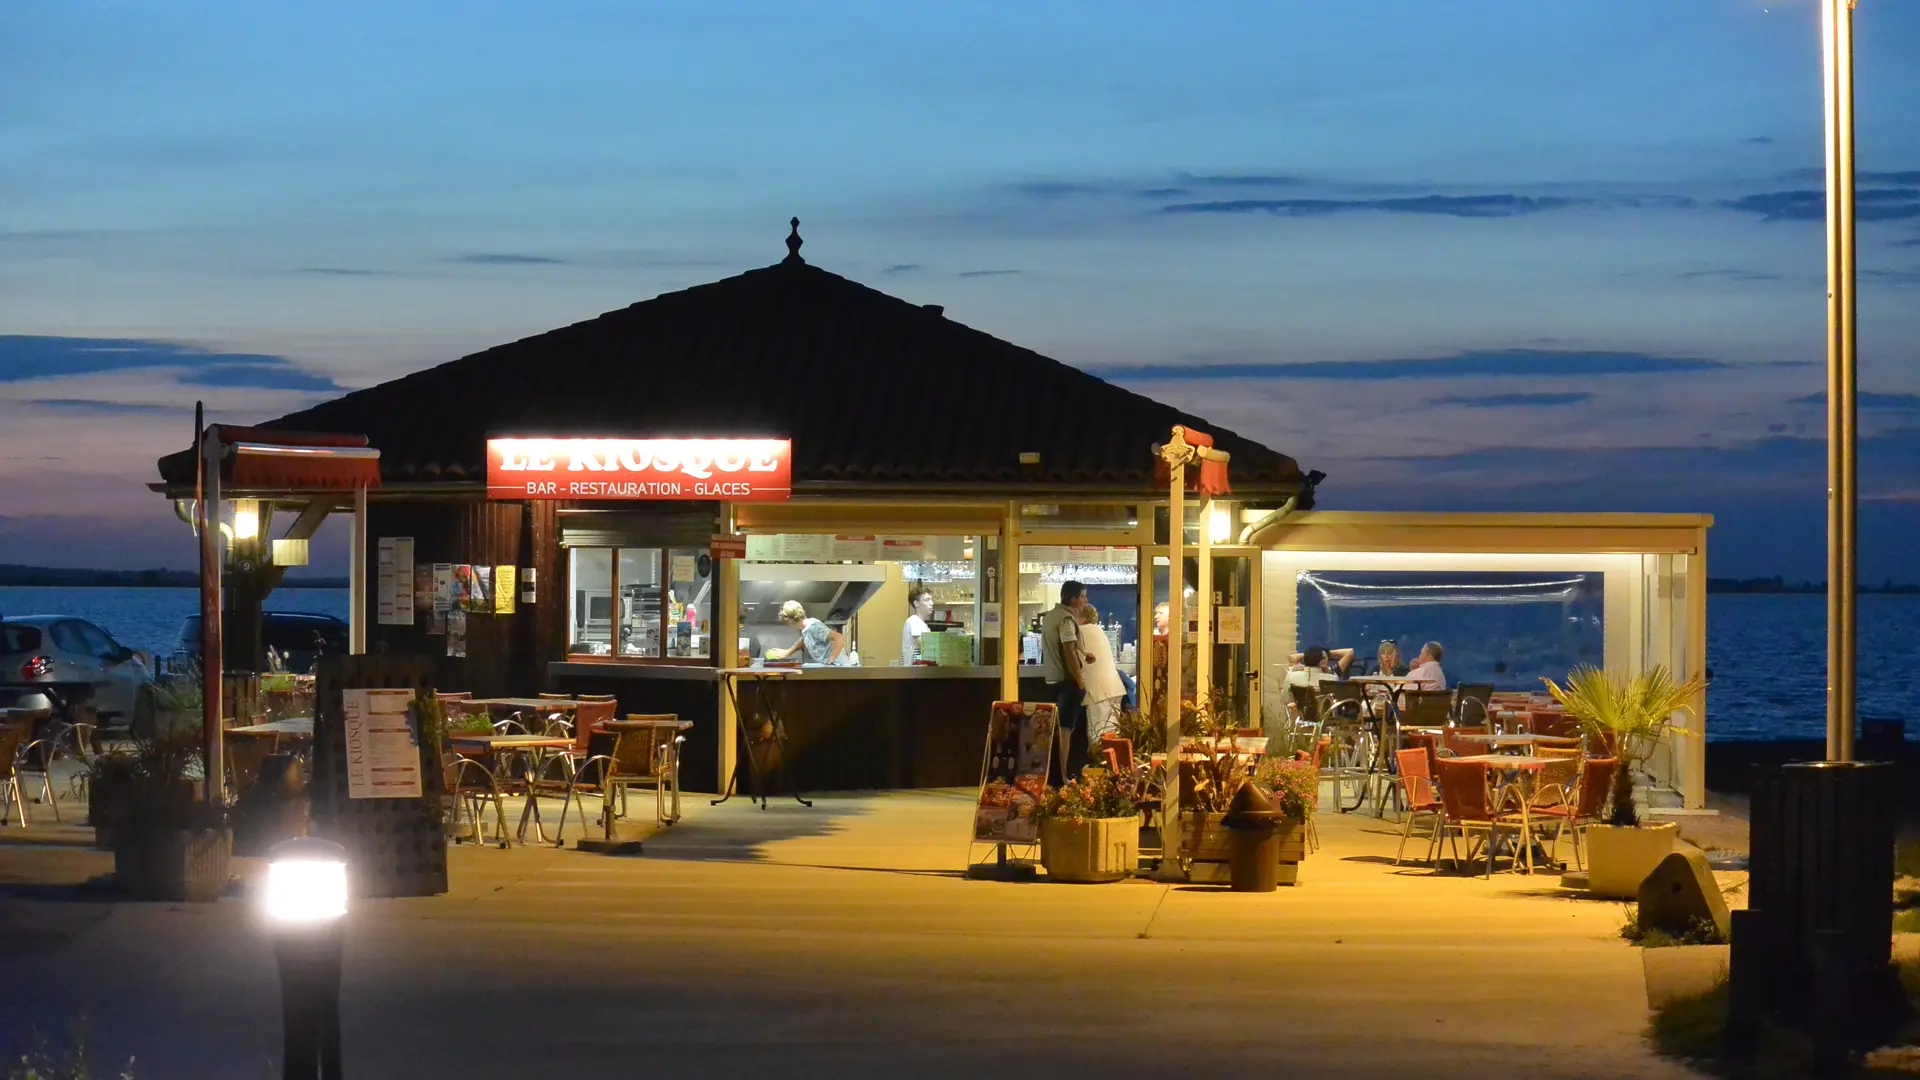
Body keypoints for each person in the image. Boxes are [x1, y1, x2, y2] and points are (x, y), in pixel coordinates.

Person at [1040, 580, 1088, 782]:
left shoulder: (1050, 616)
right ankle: (1062, 777)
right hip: (1066, 683)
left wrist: (1084, 653)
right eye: (1083, 596)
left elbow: (1065, 648)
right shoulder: (1066, 619)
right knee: (1066, 731)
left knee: (1055, 731)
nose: (1085, 601)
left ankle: (1055, 775)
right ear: (1073, 598)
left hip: (1051, 680)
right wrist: (1080, 680)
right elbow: (1068, 651)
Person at [1077, 604, 1127, 748]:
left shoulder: (1081, 631)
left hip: (1098, 693)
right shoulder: (1098, 630)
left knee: (1098, 738)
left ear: (1082, 617)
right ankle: (1114, 769)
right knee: (1112, 736)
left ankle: (1100, 767)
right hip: (1113, 689)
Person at [768, 600, 848, 665]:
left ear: (791, 621)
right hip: (831, 667)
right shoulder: (806, 629)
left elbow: (839, 637)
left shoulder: (813, 627)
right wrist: (787, 652)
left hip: (839, 667)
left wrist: (831, 659)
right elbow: (804, 640)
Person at [1286, 645, 1353, 689]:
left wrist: (1325, 653)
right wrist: (1322, 654)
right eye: (1320, 658)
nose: (1322, 660)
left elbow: (1350, 652)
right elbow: (1291, 657)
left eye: (1324, 657)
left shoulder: (1333, 672)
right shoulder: (1332, 678)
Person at [901, 585, 933, 664]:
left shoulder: (921, 623)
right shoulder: (914, 621)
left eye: (931, 599)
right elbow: (928, 646)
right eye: (927, 600)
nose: (932, 603)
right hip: (913, 674)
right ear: (916, 603)